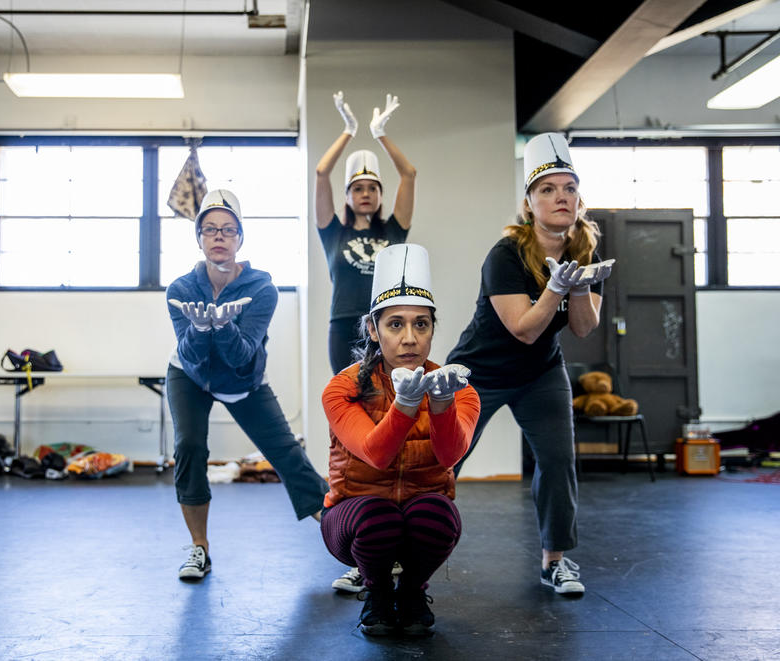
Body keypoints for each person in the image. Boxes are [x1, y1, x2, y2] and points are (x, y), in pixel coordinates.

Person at [446, 132, 614, 597]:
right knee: (443, 461)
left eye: (569, 189)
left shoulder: (585, 251)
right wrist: (556, 287)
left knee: (559, 460)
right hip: (480, 372)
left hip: (540, 372)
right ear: (529, 203)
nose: (561, 197)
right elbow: (522, 327)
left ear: (579, 199)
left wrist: (578, 286)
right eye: (548, 189)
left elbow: (582, 328)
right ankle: (400, 552)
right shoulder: (506, 255)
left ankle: (555, 561)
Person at [165, 189, 328, 581]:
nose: (219, 237)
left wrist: (220, 327)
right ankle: (199, 549)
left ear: (240, 238)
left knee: (288, 455)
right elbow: (192, 356)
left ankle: (358, 543)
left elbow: (240, 358)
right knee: (189, 446)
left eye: (228, 230)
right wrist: (202, 329)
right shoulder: (181, 290)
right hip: (189, 375)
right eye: (209, 230)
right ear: (200, 238)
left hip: (244, 381)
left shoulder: (262, 289)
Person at [320, 243, 481, 636]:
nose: (409, 338)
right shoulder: (342, 389)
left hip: (420, 509)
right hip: (354, 519)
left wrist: (441, 404)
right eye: (395, 324)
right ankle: (376, 592)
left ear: (431, 329)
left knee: (438, 516)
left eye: (421, 324)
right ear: (373, 330)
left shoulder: (457, 387)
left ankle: (411, 592)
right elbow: (376, 455)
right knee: (380, 517)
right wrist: (407, 404)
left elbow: (449, 456)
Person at [315, 90, 417, 376]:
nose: (365, 193)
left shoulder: (395, 230)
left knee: (384, 400)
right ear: (347, 195)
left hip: (385, 323)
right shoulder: (332, 231)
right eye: (358, 188)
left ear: (380, 195)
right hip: (343, 326)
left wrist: (379, 133)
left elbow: (409, 174)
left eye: (373, 188)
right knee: (346, 404)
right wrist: (348, 131)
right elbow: (322, 173)